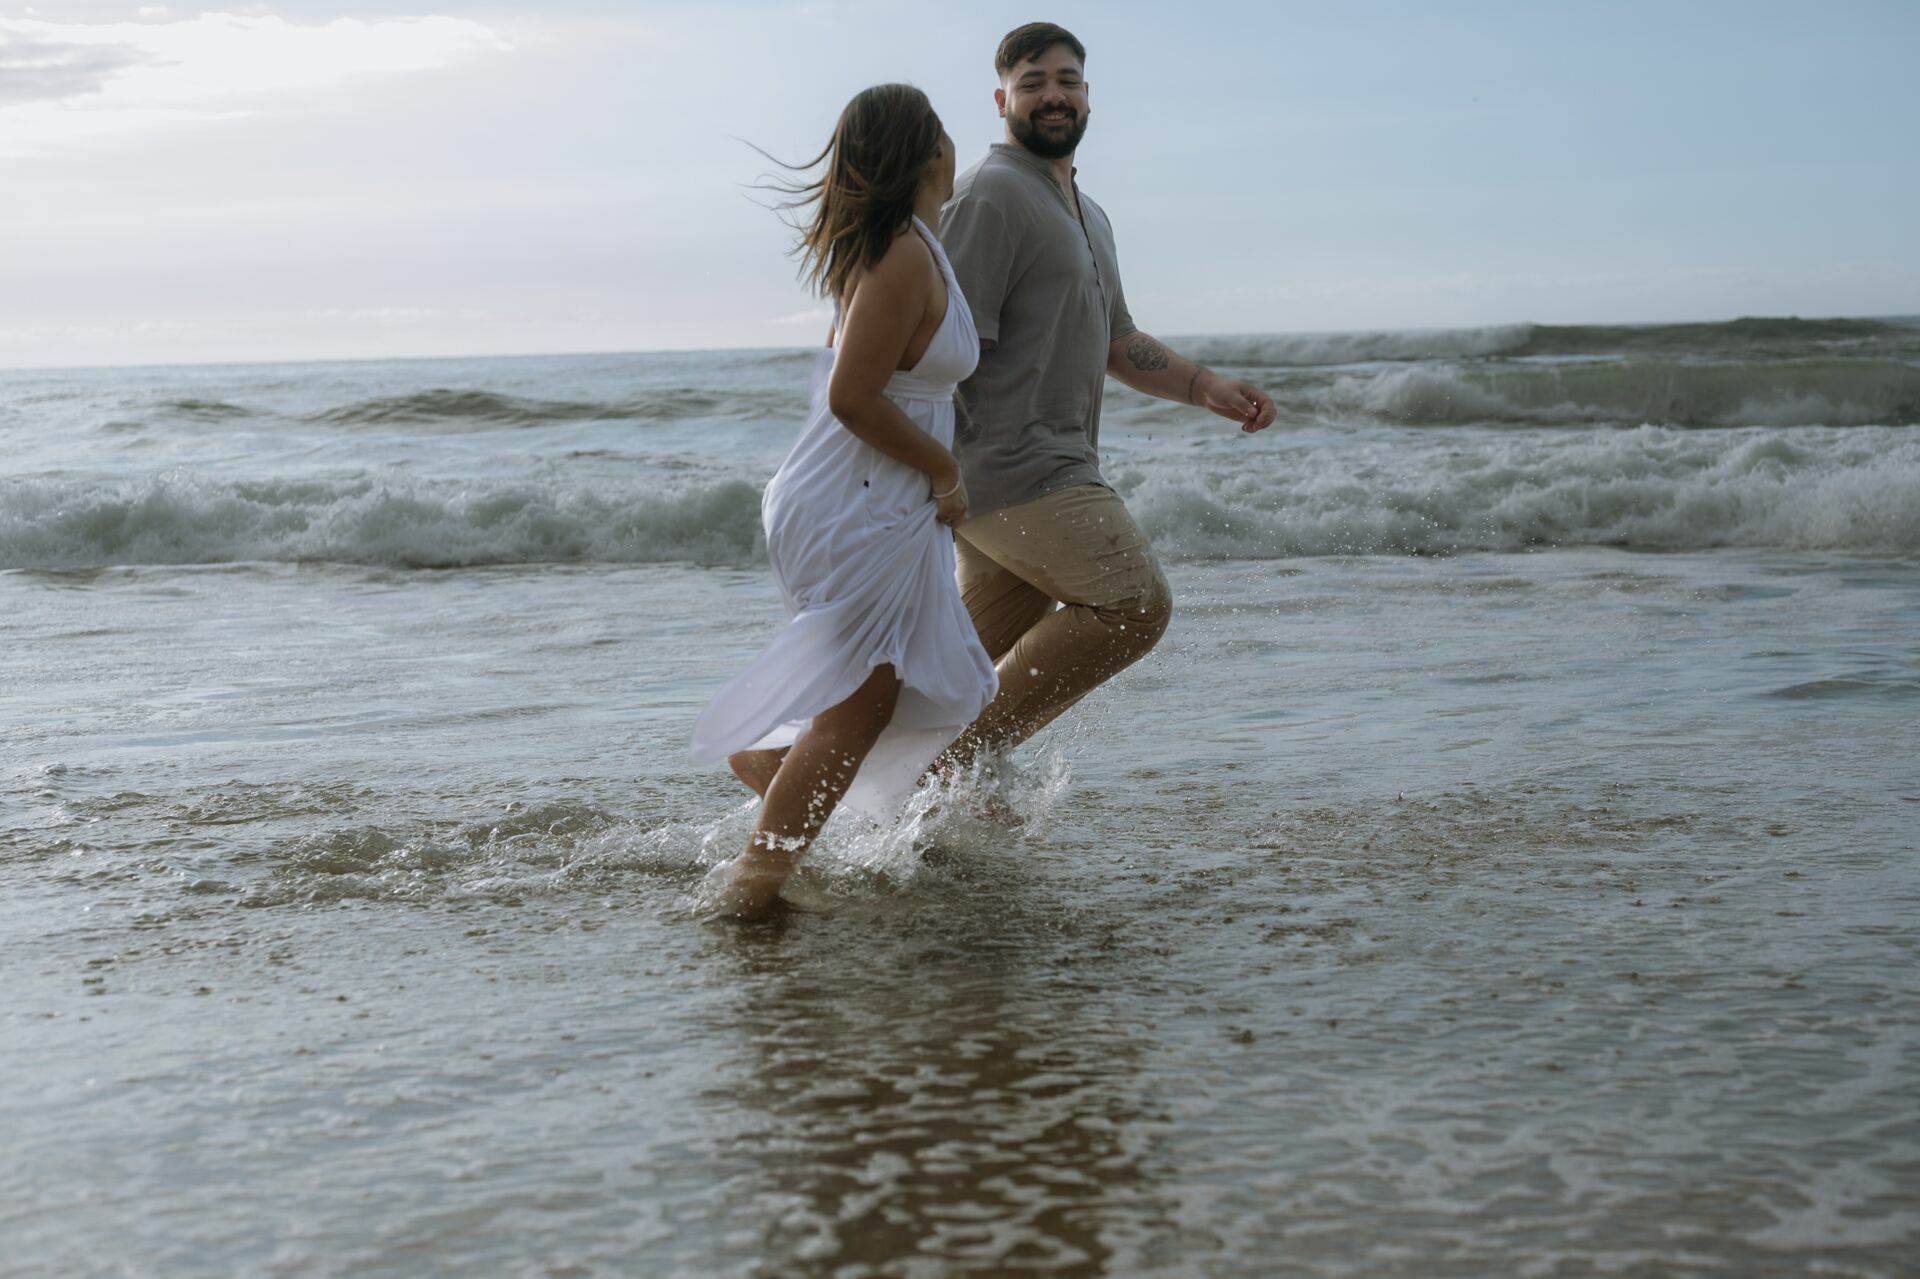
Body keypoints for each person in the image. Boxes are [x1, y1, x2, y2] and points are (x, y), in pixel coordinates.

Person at [690, 84, 997, 921]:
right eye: (945, 132)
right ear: (930, 150)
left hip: (857, 494)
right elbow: (853, 398)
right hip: (855, 498)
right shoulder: (899, 252)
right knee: (864, 696)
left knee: (883, 688)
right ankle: (750, 892)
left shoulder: (910, 246)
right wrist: (944, 470)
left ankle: (773, 770)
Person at [935, 23, 1277, 770]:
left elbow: (1117, 338)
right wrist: (929, 473)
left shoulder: (1089, 216)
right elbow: (944, 349)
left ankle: (839, 795)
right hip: (1013, 473)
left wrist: (1202, 386)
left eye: (1066, 80)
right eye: (1033, 83)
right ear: (1002, 100)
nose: (1052, 95)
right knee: (1133, 606)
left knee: (947, 676)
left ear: (1088, 96)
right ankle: (955, 762)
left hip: (1032, 473)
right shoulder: (989, 198)